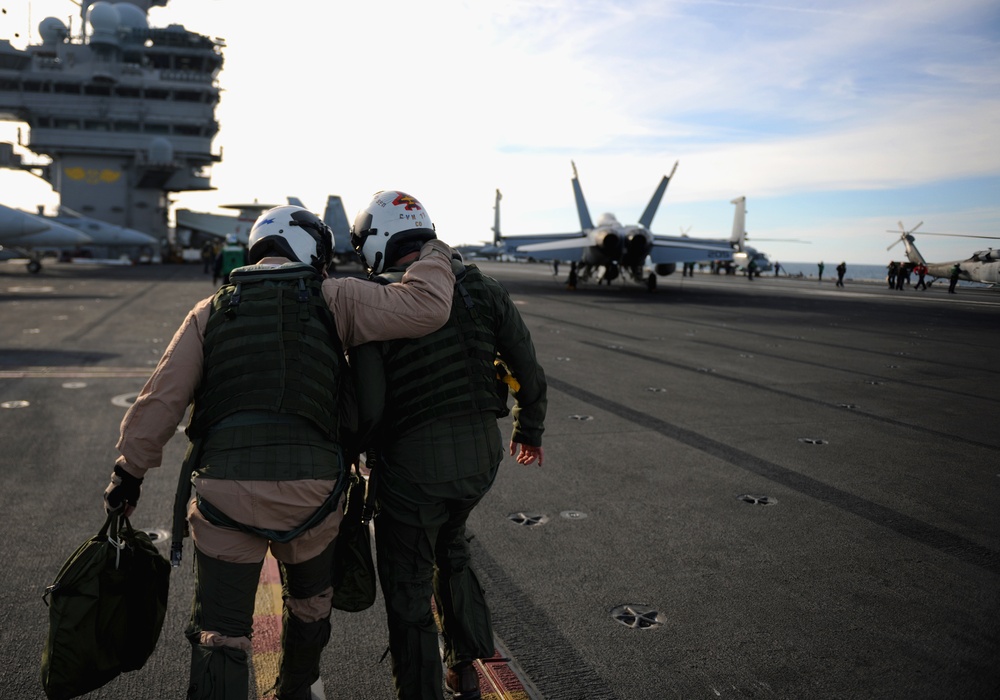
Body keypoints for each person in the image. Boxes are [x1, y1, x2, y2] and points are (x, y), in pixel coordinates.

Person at [102, 204, 459, 700]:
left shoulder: (210, 311)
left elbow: (160, 402)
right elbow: (427, 306)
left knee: (221, 633)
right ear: (312, 248)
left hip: (224, 495)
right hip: (313, 493)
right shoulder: (336, 296)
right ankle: (297, 687)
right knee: (310, 606)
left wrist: (128, 474)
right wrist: (435, 249)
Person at [347, 190, 547, 700]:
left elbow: (368, 407)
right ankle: (465, 667)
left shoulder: (378, 301)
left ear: (379, 241)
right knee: (452, 549)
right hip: (481, 458)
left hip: (414, 468)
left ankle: (422, 691)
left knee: (408, 583)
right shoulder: (483, 287)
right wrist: (528, 431)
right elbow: (527, 368)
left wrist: (354, 456)